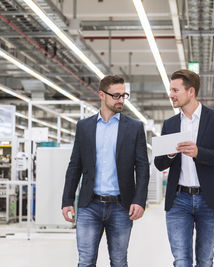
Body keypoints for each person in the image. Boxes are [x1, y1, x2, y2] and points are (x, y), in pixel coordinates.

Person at [61, 75, 149, 267]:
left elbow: (142, 167)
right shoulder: (84, 127)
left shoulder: (134, 128)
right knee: (85, 261)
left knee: (119, 261)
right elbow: (75, 165)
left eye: (124, 95)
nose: (121, 100)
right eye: (116, 95)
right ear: (101, 95)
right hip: (89, 205)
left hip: (121, 206)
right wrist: (67, 200)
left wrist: (139, 200)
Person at [154, 69, 214, 267]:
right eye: (170, 90)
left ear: (191, 92)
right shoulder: (170, 124)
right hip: (178, 200)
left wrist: (200, 153)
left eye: (175, 90)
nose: (170, 94)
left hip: (209, 200)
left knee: (205, 260)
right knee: (181, 260)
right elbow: (159, 163)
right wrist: (171, 154)